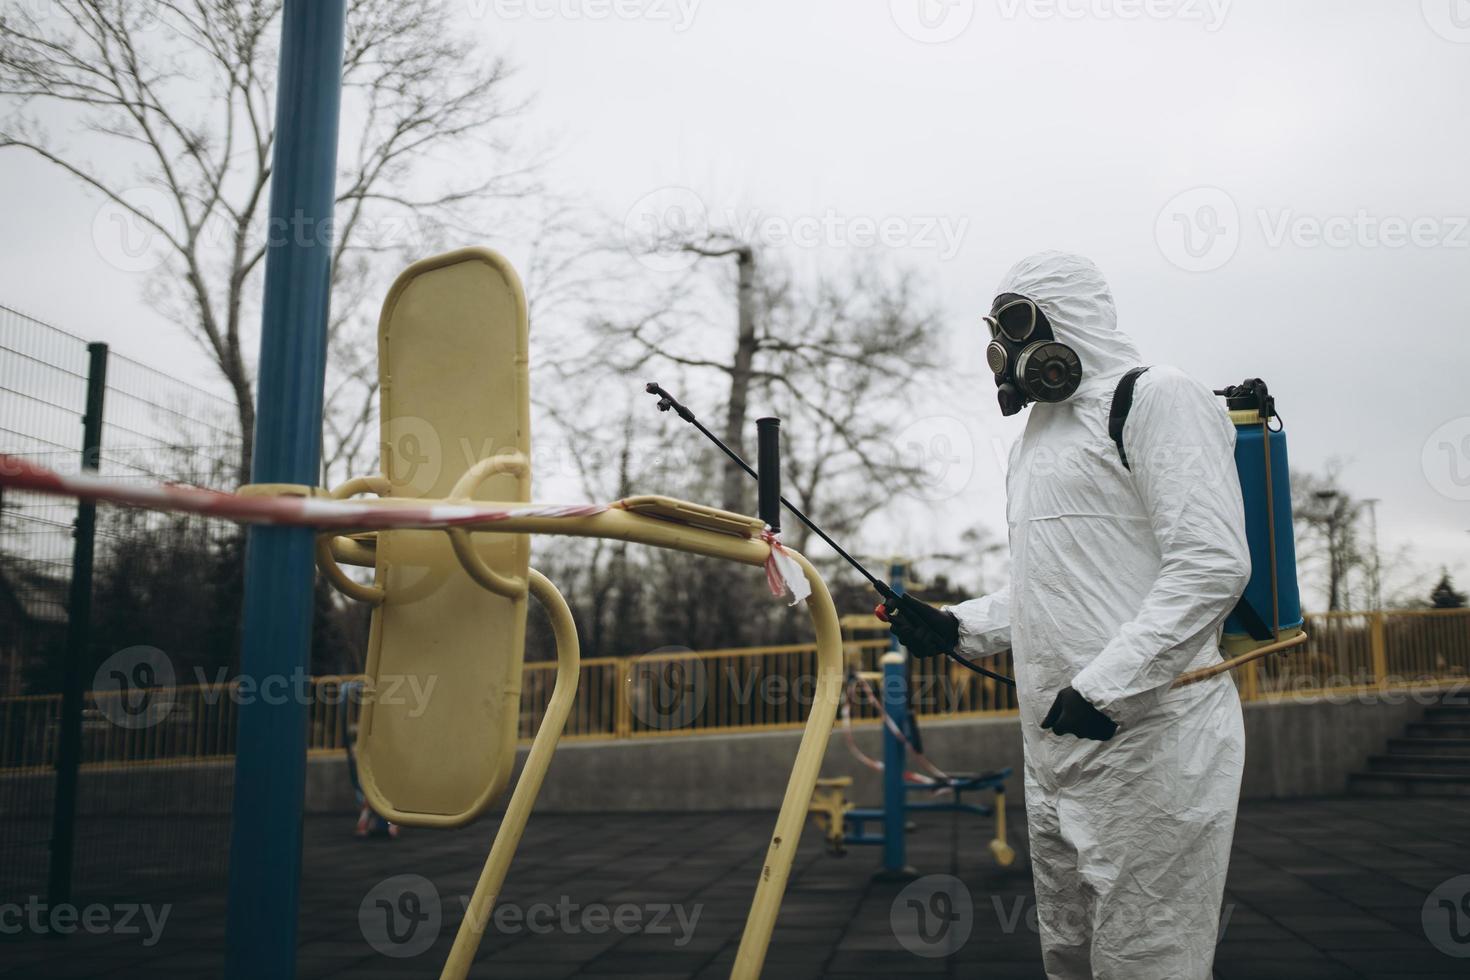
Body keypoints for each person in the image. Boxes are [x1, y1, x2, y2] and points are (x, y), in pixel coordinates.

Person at [887, 250, 1249, 979]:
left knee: (1150, 959)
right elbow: (1048, 586)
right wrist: (957, 626)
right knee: (1070, 953)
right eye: (998, 328)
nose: (1007, 348)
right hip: (1056, 745)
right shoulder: (1033, 446)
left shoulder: (1155, 397)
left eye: (1019, 321)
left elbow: (1212, 564)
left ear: (1072, 316)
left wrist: (1110, 685)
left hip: (1153, 738)